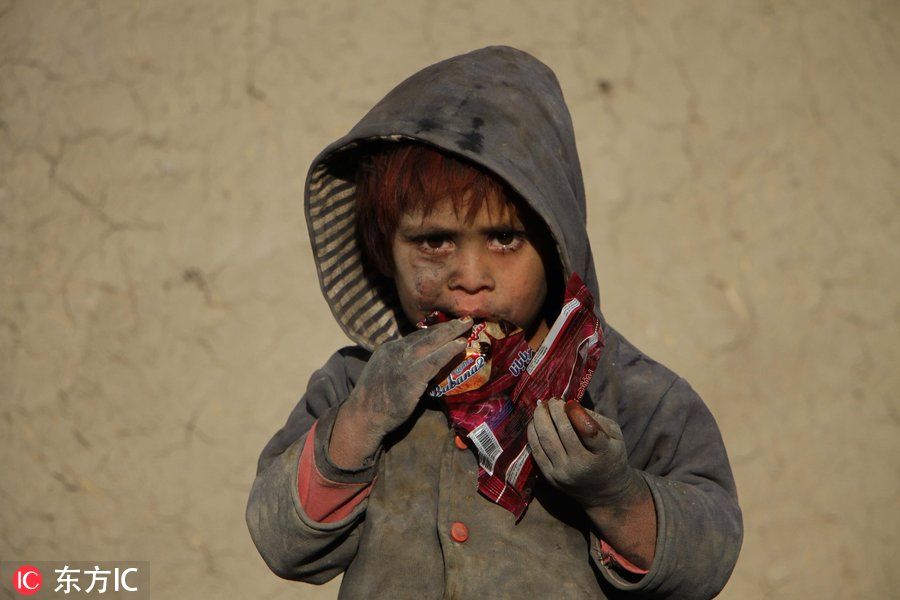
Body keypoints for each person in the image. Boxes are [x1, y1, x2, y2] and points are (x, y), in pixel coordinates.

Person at [246, 46, 742, 599]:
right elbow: (281, 540)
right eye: (433, 241)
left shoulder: (627, 392)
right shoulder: (357, 385)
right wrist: (364, 420)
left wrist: (612, 496)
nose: (470, 276)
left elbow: (710, 555)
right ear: (384, 254)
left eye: (505, 238)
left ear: (556, 248)